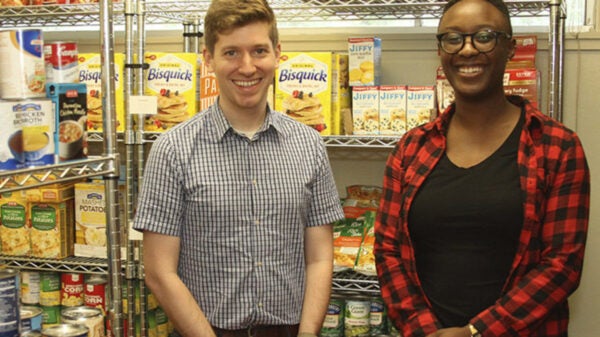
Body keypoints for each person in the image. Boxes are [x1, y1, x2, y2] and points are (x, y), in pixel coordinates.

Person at [373, 0, 590, 336]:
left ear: (510, 47)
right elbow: (388, 251)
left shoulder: (557, 146)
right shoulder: (411, 148)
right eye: (453, 38)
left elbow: (562, 265)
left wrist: (477, 332)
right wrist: (423, 328)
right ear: (441, 50)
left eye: (484, 36)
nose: (467, 50)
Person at [133, 0, 344, 336]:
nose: (247, 67)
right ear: (208, 59)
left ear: (277, 54)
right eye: (231, 53)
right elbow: (159, 272)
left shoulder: (309, 145)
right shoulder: (172, 149)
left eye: (259, 51)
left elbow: (319, 258)